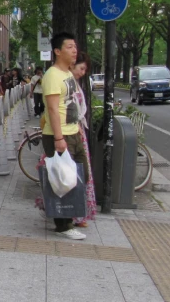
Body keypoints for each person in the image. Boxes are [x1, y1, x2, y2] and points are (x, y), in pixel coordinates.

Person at [41, 31, 88, 240]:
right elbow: (52, 109)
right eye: (69, 47)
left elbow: (71, 103)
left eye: (75, 47)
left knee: (78, 176)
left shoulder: (68, 73)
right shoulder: (52, 75)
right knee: (63, 179)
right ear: (57, 51)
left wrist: (76, 126)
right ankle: (63, 224)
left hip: (73, 132)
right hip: (58, 136)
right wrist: (59, 138)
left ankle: (67, 217)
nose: (74, 50)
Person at [70, 52, 98, 227]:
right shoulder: (66, 83)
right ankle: (70, 214)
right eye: (81, 68)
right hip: (71, 133)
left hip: (78, 131)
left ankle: (77, 214)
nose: (83, 72)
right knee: (75, 173)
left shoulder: (75, 84)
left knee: (80, 173)